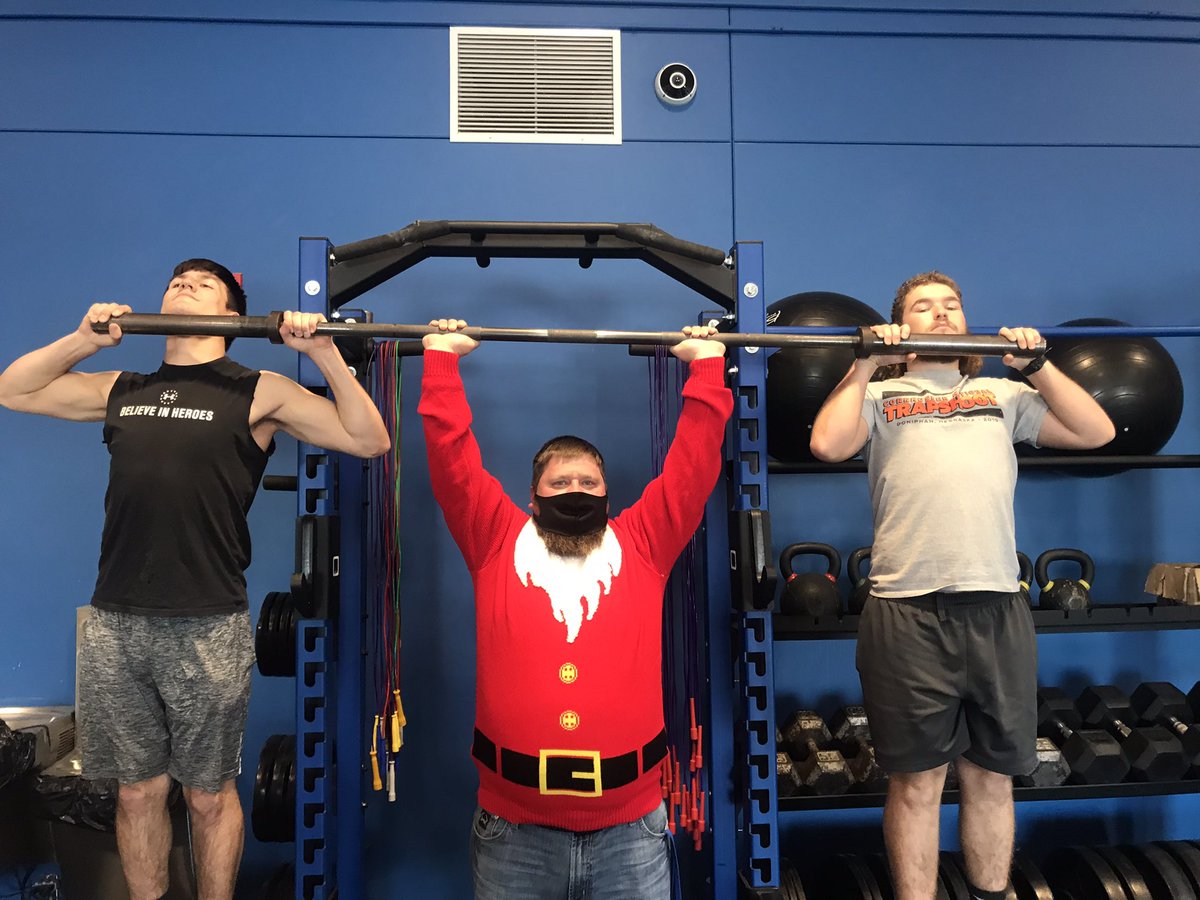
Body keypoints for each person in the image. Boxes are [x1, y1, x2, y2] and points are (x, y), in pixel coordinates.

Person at [0, 259, 390, 900]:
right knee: (136, 791)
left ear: (232, 317)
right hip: (116, 621)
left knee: (208, 796)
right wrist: (81, 341)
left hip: (207, 622)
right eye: (177, 279)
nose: (184, 284)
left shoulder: (257, 389)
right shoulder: (123, 386)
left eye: (204, 283)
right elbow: (15, 390)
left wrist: (323, 353)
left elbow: (368, 439)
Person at [809, 271, 1114, 900]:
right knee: (916, 783)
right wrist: (864, 364)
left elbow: (1097, 432)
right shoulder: (880, 396)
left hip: (997, 604)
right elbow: (826, 445)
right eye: (924, 307)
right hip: (906, 609)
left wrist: (1039, 365)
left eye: (953, 305)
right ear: (902, 328)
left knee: (991, 775)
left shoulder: (1001, 393)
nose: (943, 314)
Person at [418, 318, 731, 900]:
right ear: (531, 496)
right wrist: (440, 362)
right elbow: (453, 464)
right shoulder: (494, 538)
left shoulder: (643, 542)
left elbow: (692, 469)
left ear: (608, 496)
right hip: (514, 833)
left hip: (631, 833)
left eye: (588, 482)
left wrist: (708, 369)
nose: (576, 491)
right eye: (560, 483)